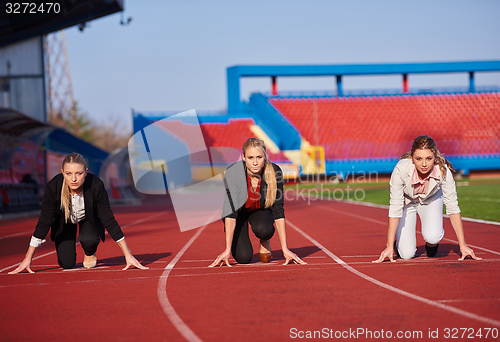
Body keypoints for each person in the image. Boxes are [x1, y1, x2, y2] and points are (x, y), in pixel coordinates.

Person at [9, 152, 148, 273]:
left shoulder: (96, 185)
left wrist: (128, 255)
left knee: (88, 240)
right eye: (68, 174)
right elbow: (44, 221)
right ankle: (69, 253)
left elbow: (108, 219)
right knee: (67, 264)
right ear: (62, 172)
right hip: (64, 221)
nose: (73, 179)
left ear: (86, 172)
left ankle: (89, 251)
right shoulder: (53, 187)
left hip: (88, 218)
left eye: (79, 173)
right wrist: (27, 259)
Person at [373, 135, 481, 263]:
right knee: (406, 254)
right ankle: (399, 245)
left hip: (431, 200)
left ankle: (431, 245)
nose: (424, 164)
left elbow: (452, 207)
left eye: (428, 158)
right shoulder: (400, 170)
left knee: (433, 236)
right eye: (419, 159)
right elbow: (395, 208)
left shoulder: (443, 171)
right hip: (407, 204)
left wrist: (462, 245)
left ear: (435, 157)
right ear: (412, 158)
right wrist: (389, 246)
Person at [209, 138, 306, 267]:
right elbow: (230, 212)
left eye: (259, 157)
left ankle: (264, 239)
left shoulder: (275, 171)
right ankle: (238, 246)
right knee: (243, 258)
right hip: (239, 215)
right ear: (243, 157)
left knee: (264, 230)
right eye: (250, 157)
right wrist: (227, 250)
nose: (255, 162)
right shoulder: (233, 173)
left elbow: (278, 210)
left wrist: (285, 249)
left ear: (265, 157)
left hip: (260, 211)